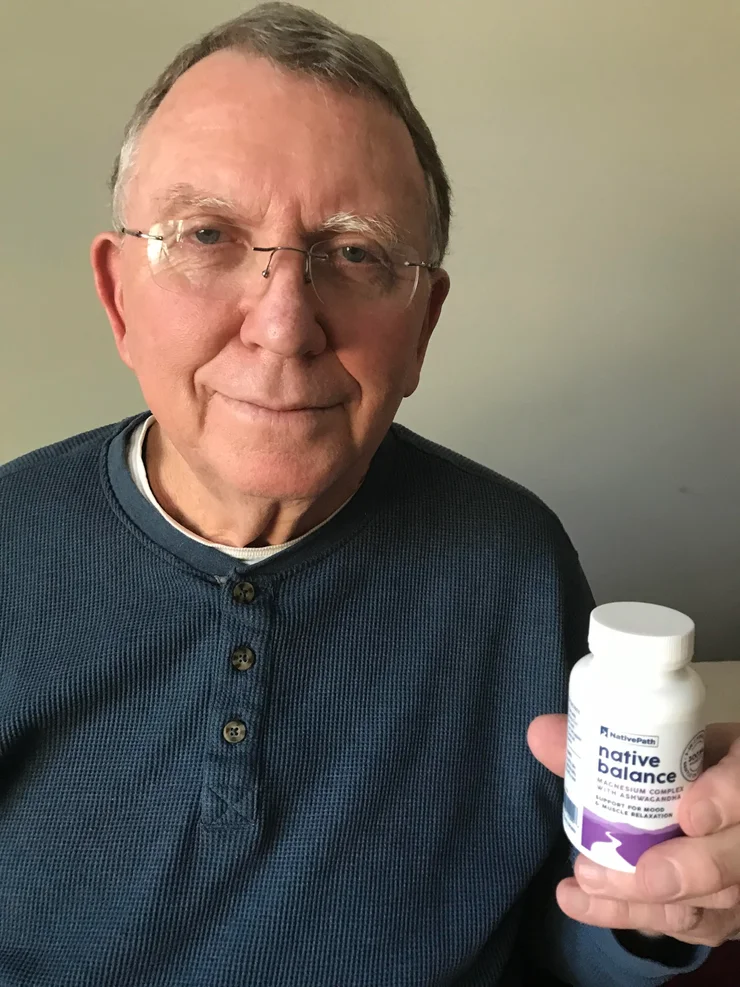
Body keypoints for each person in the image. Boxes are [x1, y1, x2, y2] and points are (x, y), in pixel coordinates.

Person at [1, 4, 737, 985]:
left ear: (423, 322)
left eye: (353, 254)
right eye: (209, 234)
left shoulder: (512, 558)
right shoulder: (10, 547)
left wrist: (660, 909)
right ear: (118, 296)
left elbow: (566, 932)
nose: (283, 324)